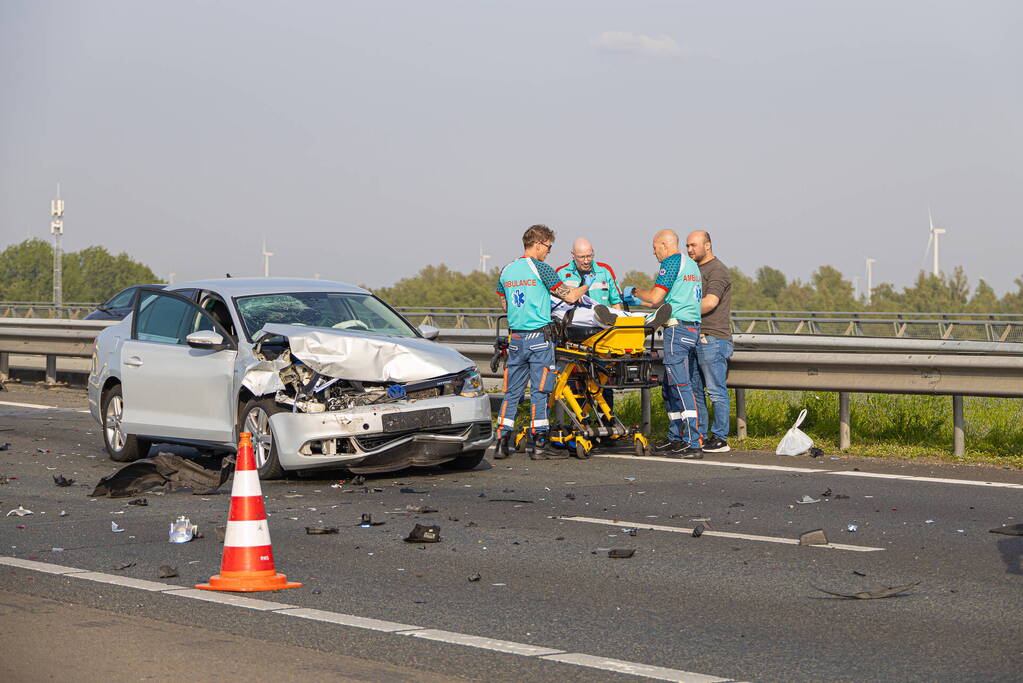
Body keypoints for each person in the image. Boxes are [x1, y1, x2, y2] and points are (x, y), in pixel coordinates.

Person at [495, 225, 589, 460]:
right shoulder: (541, 269)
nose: (548, 252)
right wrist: (587, 284)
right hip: (539, 338)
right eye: (548, 247)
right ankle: (539, 445)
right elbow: (570, 296)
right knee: (540, 391)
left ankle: (501, 442)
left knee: (512, 392)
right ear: (538, 244)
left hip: (516, 339)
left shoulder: (506, 270)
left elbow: (504, 303)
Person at [628, 229, 704, 458]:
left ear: (664, 244)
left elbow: (655, 297)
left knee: (680, 386)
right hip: (691, 327)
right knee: (670, 387)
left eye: (655, 247)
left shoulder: (671, 262)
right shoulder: (691, 265)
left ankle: (693, 442)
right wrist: (641, 302)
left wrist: (634, 292)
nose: (654, 252)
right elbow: (666, 301)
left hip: (676, 330)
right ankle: (676, 438)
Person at [686, 230, 733, 453]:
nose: (689, 250)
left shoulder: (717, 270)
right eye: (687, 245)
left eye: (693, 245)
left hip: (713, 337)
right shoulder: (694, 269)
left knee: (715, 391)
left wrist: (681, 309)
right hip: (694, 336)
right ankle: (701, 435)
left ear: (708, 245)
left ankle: (720, 438)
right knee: (695, 391)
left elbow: (710, 302)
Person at [556, 238, 624, 310]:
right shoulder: (561, 273)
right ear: (573, 254)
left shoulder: (606, 271)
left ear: (593, 252)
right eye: (581, 257)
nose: (586, 261)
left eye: (589, 256)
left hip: (601, 317)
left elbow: (616, 303)